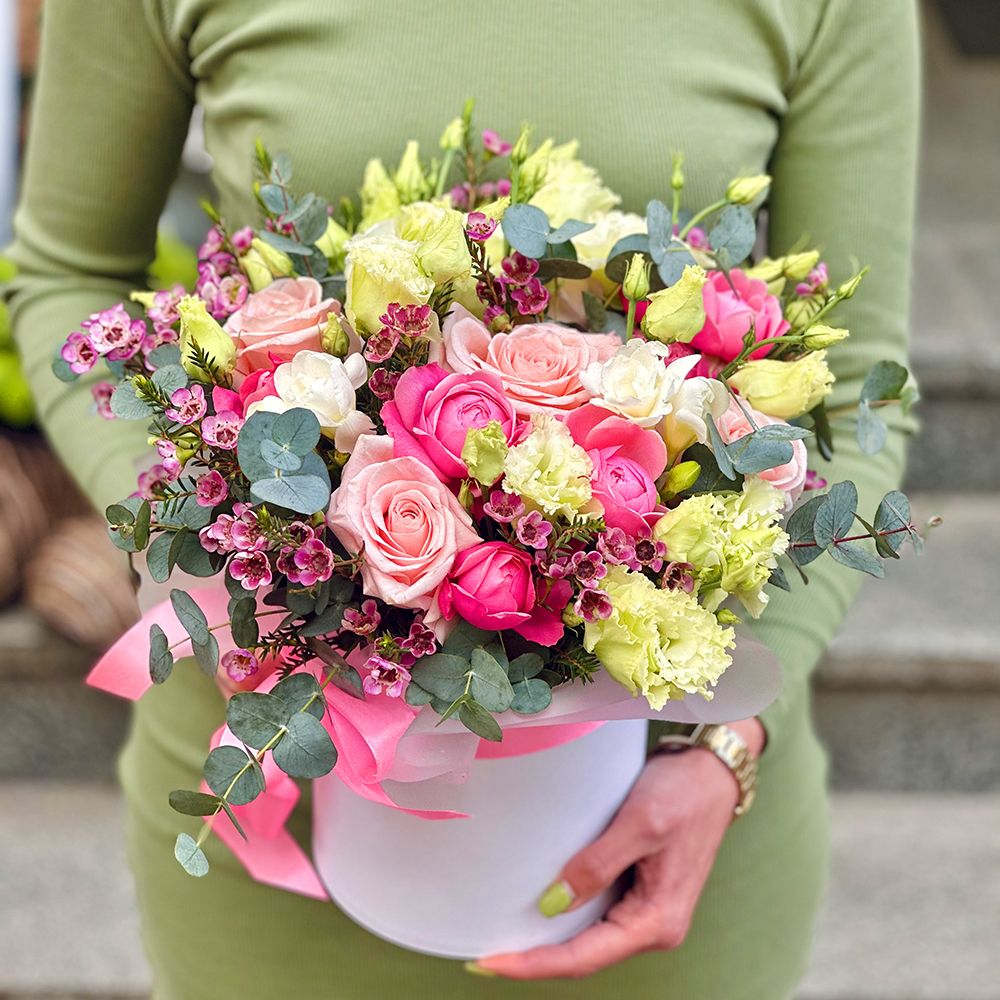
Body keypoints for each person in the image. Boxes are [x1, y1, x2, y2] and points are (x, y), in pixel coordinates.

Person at [2, 1, 918, 997]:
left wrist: (725, 745)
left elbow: (861, 375)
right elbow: (69, 271)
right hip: (280, 806)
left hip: (666, 830)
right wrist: (221, 543)